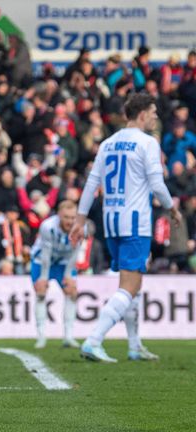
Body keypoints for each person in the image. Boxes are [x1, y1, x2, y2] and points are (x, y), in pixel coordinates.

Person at [70, 93, 182, 363]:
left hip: (111, 221)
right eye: (153, 112)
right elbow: (156, 183)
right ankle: (94, 339)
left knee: (132, 284)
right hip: (135, 221)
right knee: (130, 286)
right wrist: (172, 207)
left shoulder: (108, 143)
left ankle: (134, 345)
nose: (156, 117)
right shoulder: (147, 143)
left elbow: (91, 183)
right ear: (142, 114)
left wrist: (80, 218)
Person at [30, 200, 82, 349]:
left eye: (73, 217)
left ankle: (68, 336)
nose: (70, 221)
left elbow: (75, 252)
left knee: (72, 291)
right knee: (40, 291)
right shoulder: (47, 227)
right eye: (66, 217)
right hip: (42, 261)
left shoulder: (80, 227)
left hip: (64, 261)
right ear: (59, 215)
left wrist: (68, 275)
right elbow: (46, 254)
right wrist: (43, 277)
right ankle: (41, 337)